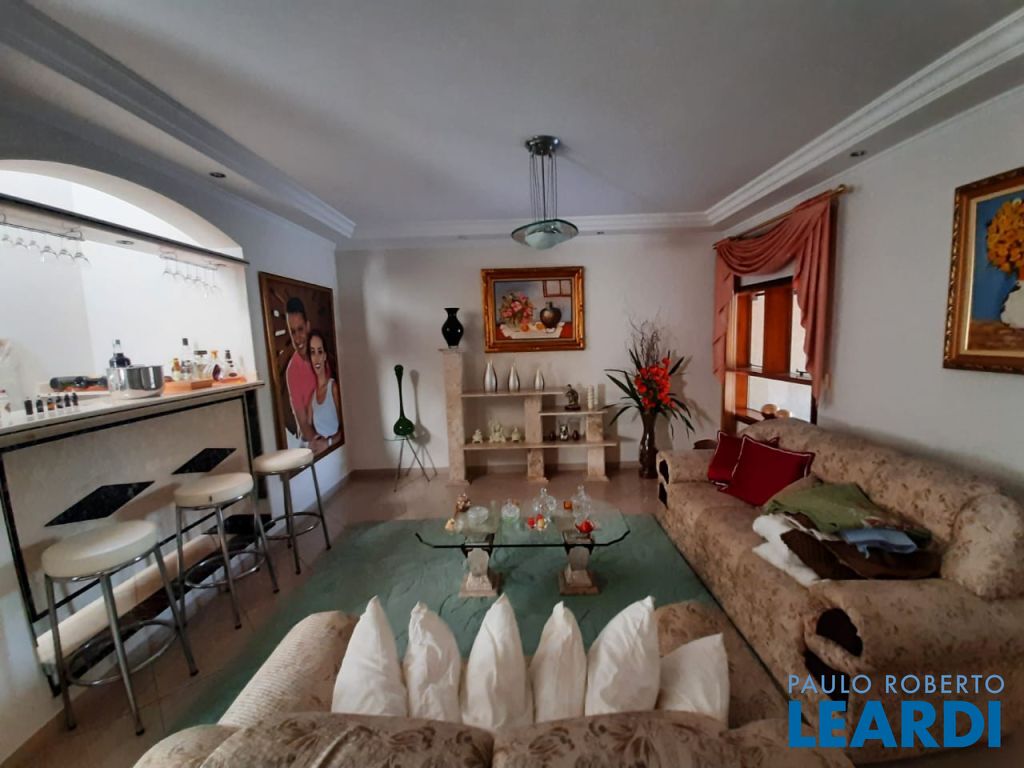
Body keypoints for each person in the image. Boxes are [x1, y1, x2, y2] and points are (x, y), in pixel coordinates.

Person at [284, 297, 319, 444]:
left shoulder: (321, 356)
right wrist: (321, 444)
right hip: (311, 441)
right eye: (293, 332)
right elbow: (303, 424)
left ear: (308, 326)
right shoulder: (292, 371)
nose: (297, 338)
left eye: (300, 329)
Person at [306, 330, 343, 454]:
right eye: (312, 352)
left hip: (336, 453)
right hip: (321, 457)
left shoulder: (333, 388)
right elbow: (306, 432)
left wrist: (328, 443)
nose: (316, 358)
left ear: (325, 356)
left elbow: (346, 429)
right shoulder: (312, 398)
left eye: (320, 352)